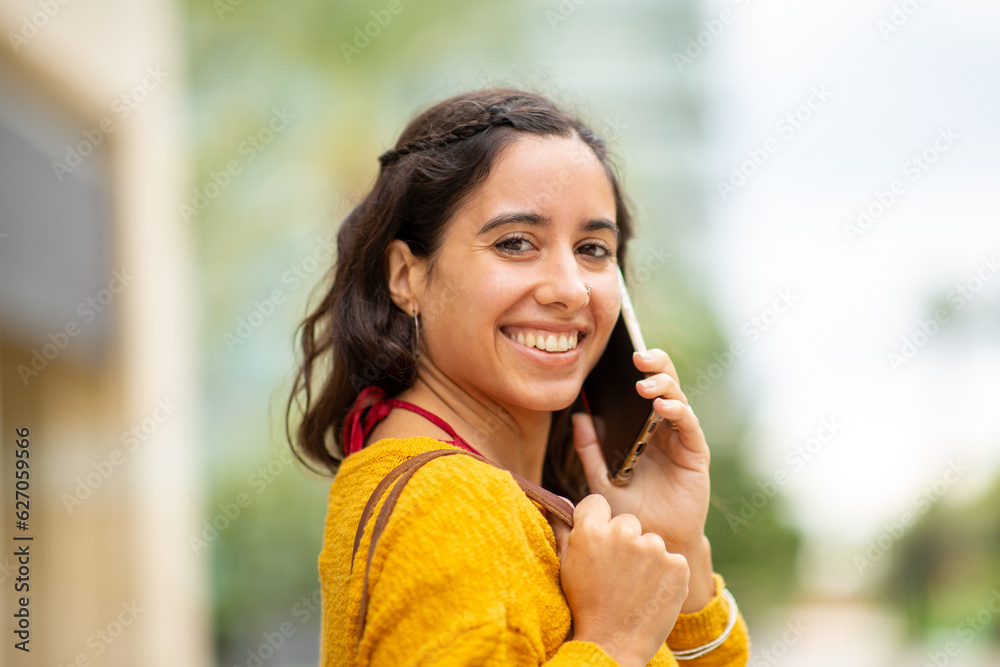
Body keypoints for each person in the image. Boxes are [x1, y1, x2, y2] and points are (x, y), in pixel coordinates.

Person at [287, 87, 750, 666]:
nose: (570, 288)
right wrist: (614, 642)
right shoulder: (450, 505)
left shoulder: (505, 499)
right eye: (515, 243)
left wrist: (675, 549)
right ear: (407, 276)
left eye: (593, 249)